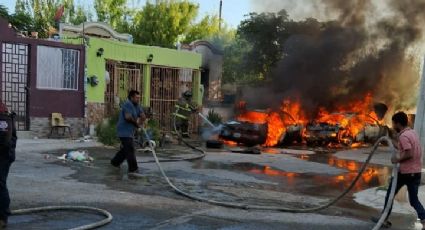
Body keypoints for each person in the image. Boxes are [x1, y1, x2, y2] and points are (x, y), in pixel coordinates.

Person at [374, 112, 425, 229]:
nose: (392, 126)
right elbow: (404, 147)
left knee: (390, 195)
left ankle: (384, 219)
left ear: (398, 123)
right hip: (415, 171)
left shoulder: (404, 136)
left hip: (406, 172)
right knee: (413, 200)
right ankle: (424, 217)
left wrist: (396, 159)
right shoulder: (412, 133)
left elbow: (409, 153)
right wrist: (391, 141)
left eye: (393, 123)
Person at [111, 90, 145, 174]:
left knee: (126, 149)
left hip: (130, 131)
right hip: (123, 130)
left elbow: (142, 115)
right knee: (130, 149)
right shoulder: (127, 104)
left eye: (139, 98)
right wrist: (137, 124)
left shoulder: (137, 106)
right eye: (136, 98)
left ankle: (115, 162)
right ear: (131, 97)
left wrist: (141, 122)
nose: (138, 99)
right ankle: (133, 169)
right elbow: (128, 117)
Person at [0, 102, 17, 229]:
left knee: (0, 184)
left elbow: (4, 141)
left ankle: (2, 218)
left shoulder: (3, 117)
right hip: (6, 153)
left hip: (3, 155)